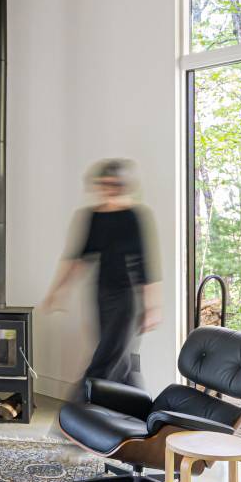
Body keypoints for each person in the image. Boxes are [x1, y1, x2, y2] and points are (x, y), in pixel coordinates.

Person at [42, 159, 160, 389]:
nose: (108, 188)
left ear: (123, 185)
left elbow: (145, 266)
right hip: (101, 294)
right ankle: (136, 406)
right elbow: (77, 259)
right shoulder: (93, 216)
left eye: (114, 183)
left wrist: (152, 307)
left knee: (107, 359)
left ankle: (80, 402)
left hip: (127, 298)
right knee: (122, 361)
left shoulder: (134, 216)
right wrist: (57, 292)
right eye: (104, 183)